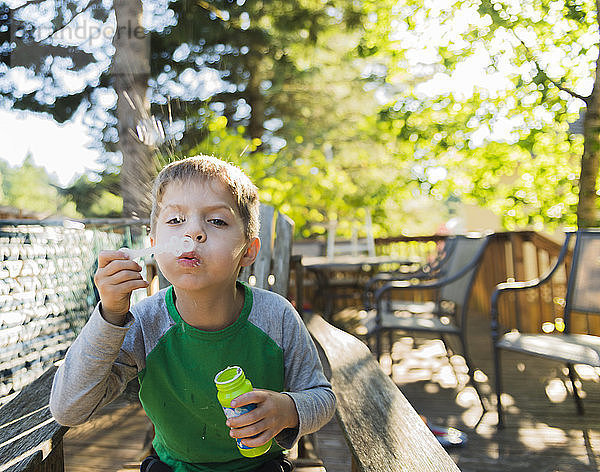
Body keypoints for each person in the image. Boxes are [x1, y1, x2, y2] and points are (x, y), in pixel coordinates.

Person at [50, 155, 336, 472]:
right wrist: (110, 315)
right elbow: (68, 410)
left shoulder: (276, 317)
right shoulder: (144, 324)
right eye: (175, 221)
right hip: (172, 467)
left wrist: (289, 409)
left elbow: (322, 398)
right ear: (154, 244)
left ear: (248, 251)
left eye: (216, 221)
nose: (193, 233)